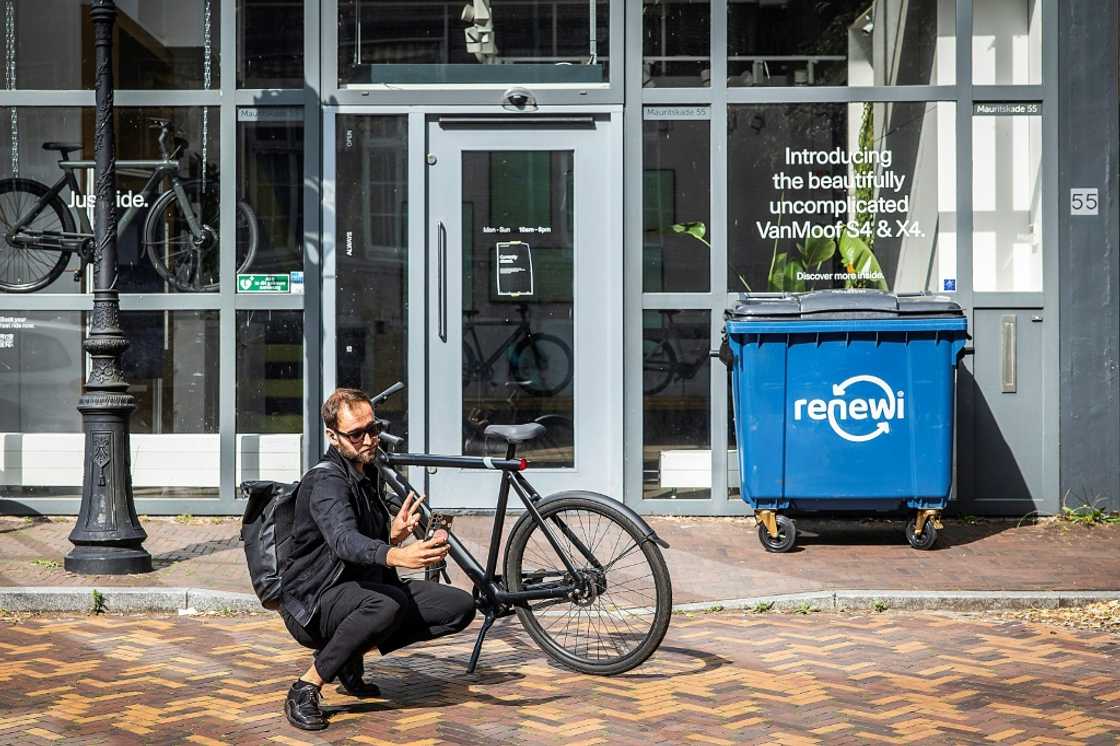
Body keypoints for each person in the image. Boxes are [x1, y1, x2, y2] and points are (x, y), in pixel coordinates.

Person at [278, 388, 476, 731]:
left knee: (458, 607)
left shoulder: (366, 471)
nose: (369, 439)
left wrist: (393, 535)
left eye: (373, 428)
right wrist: (397, 553)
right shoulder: (326, 480)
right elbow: (343, 541)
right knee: (386, 605)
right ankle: (306, 686)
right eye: (356, 433)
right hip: (313, 603)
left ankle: (345, 656)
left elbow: (361, 542)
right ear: (332, 436)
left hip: (357, 588)